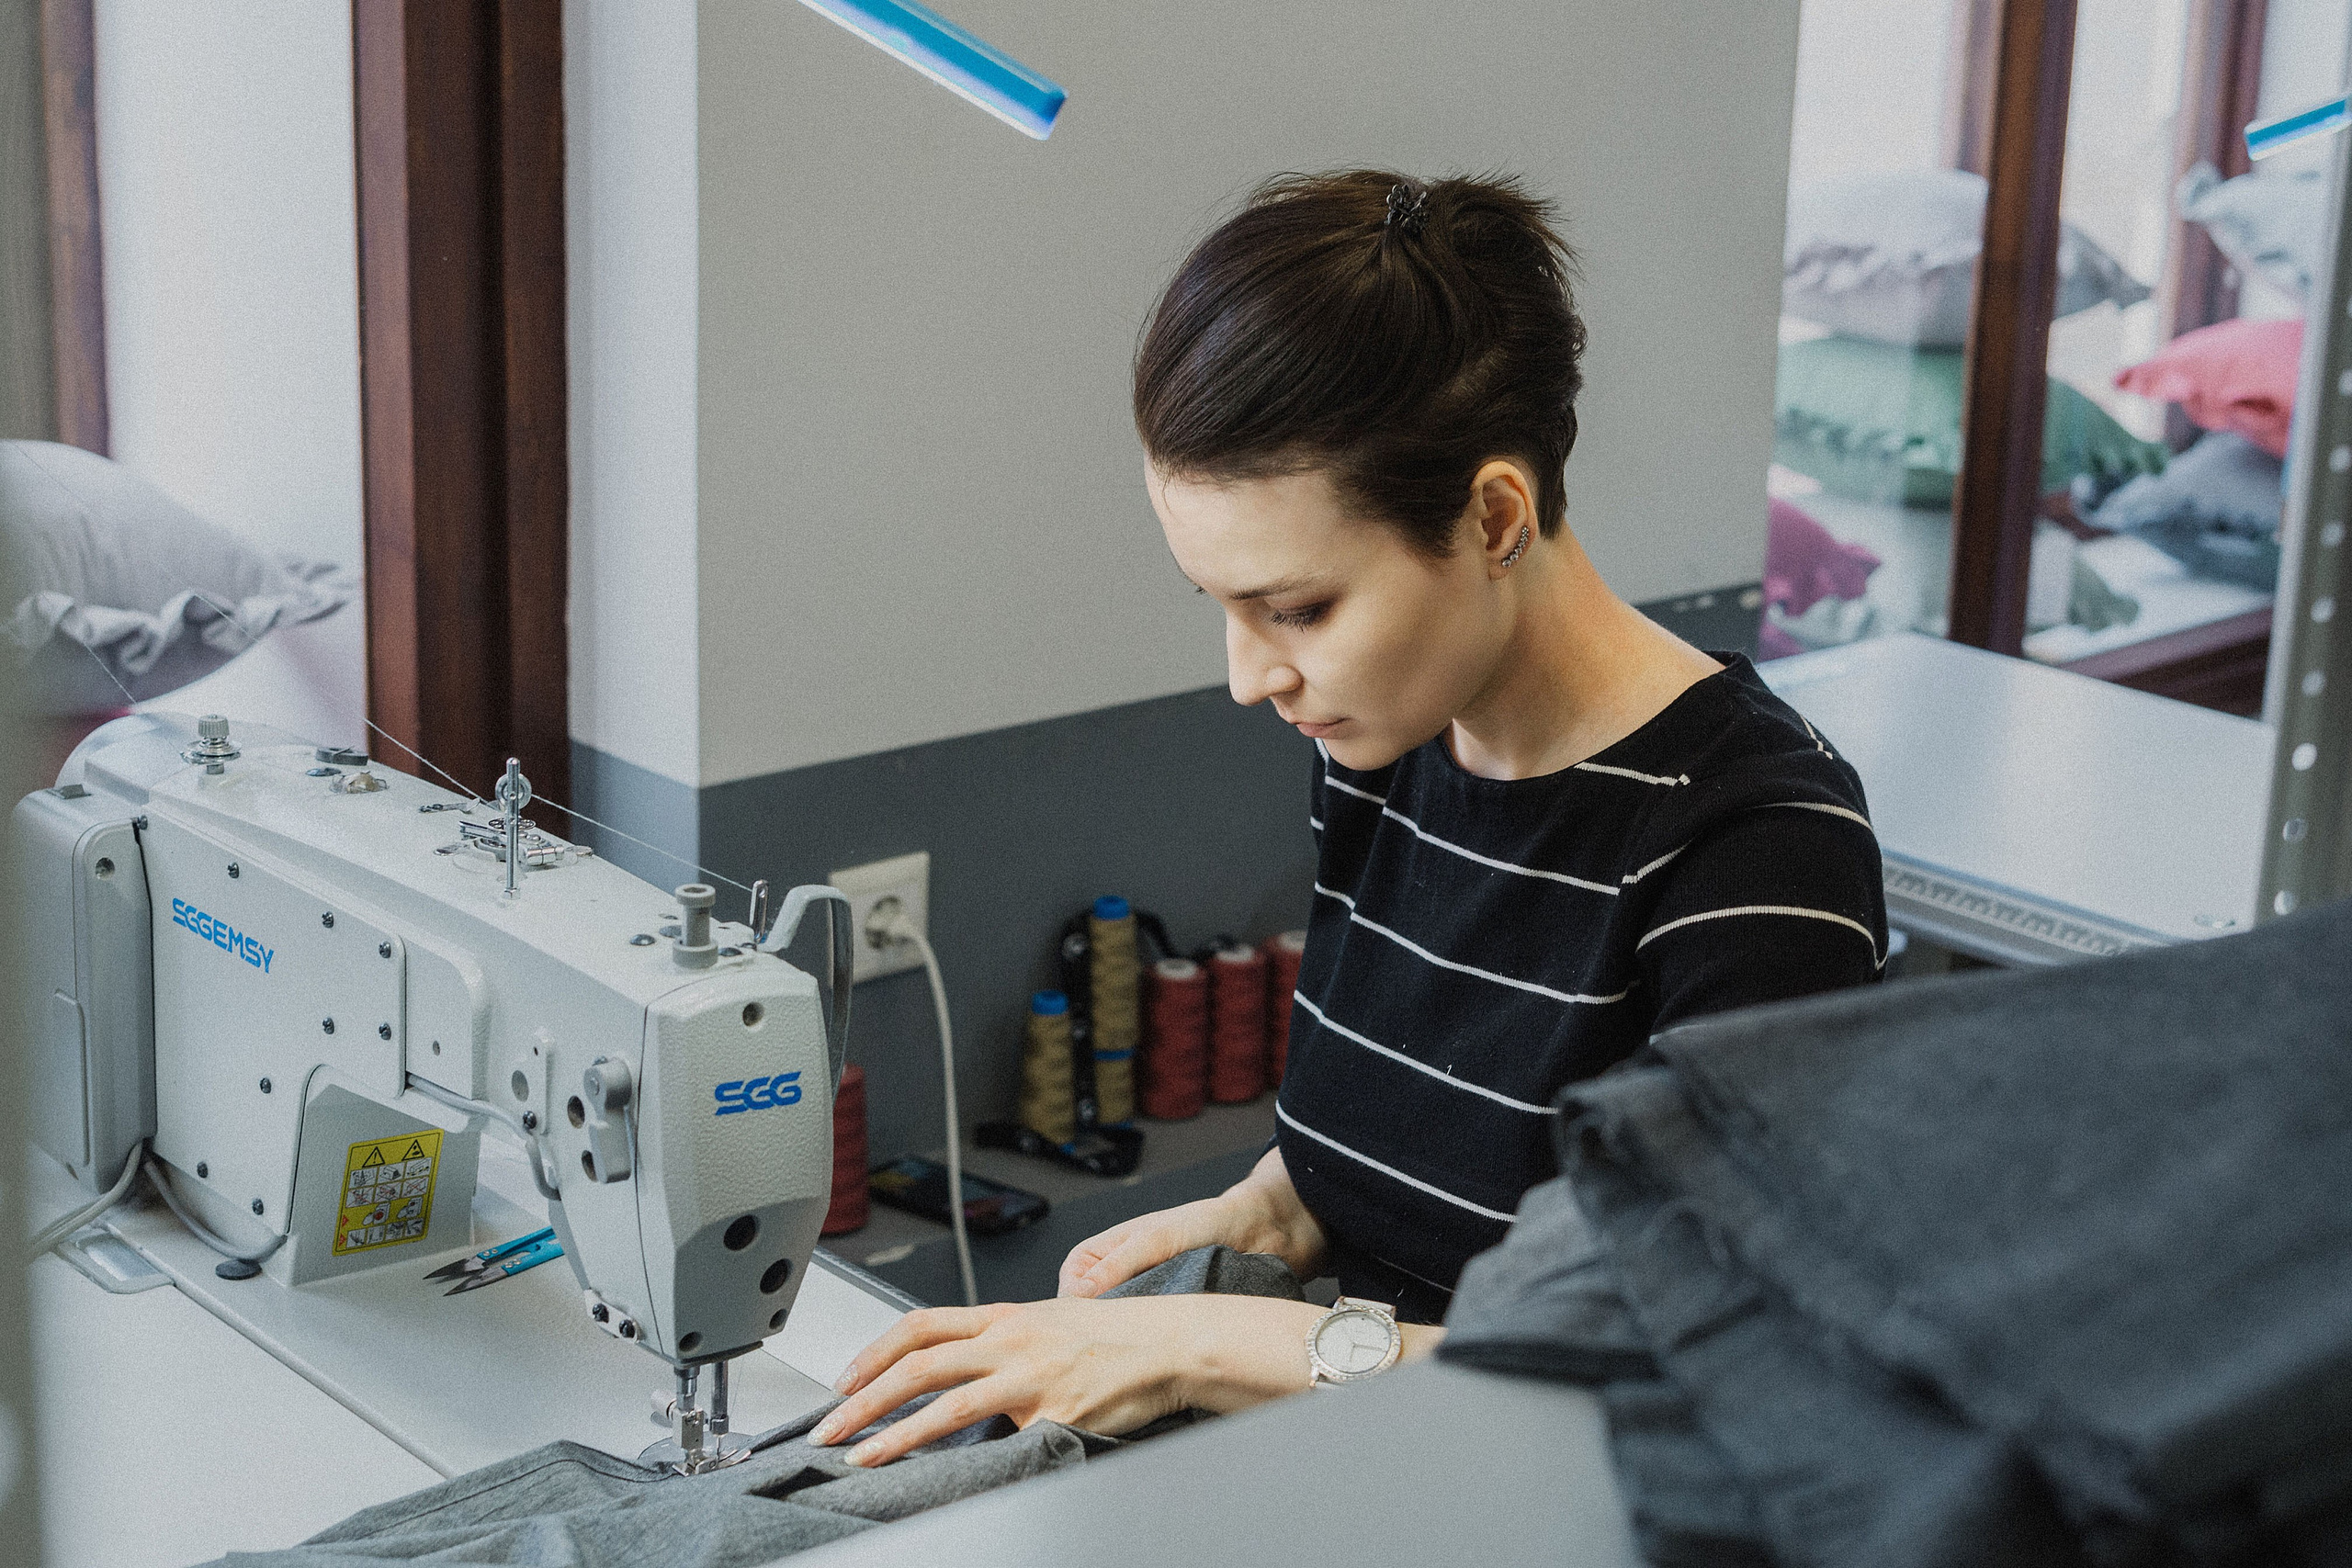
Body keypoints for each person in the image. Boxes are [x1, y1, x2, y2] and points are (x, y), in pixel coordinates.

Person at [809, 170, 1886, 1466]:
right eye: (1222, 606)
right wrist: (1257, 1219)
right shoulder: (1391, 744)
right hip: (1378, 1463)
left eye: (1297, 610)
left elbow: (1694, 1365)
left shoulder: (1759, 849)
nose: (1246, 677)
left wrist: (1197, 1345)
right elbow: (1380, 1172)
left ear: (1495, 517)